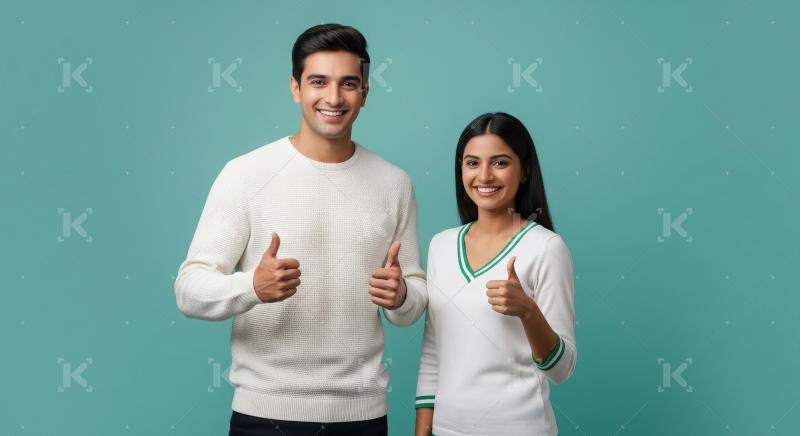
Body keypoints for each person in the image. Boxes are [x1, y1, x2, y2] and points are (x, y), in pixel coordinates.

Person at [174, 23, 427, 436]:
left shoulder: (394, 183)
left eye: (348, 83)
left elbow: (414, 297)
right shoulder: (245, 174)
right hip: (264, 416)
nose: (334, 97)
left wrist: (401, 296)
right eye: (318, 81)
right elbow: (189, 290)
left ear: (365, 92)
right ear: (295, 88)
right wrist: (251, 287)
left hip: (363, 416)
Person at [414, 112, 576, 436]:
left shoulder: (546, 248)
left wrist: (527, 310)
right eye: (472, 163)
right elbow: (434, 351)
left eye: (500, 163)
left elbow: (561, 369)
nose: (484, 176)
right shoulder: (441, 245)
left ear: (525, 170)